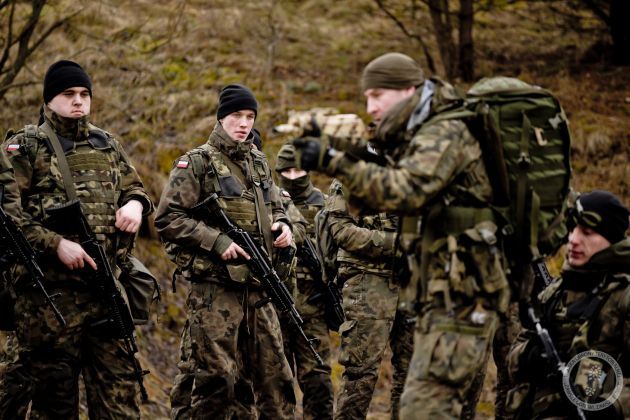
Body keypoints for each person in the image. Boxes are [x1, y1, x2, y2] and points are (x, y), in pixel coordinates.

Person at [293, 52, 511, 419]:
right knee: (380, 382)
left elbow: (406, 191)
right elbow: (342, 223)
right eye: (366, 98)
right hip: (397, 283)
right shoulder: (405, 145)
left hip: (448, 288)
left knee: (422, 392)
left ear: (408, 90)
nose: (370, 106)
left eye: (377, 95)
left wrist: (333, 158)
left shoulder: (442, 133)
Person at [0, 59, 154, 418]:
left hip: (105, 295)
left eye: (85, 94)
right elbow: (8, 218)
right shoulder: (24, 148)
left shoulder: (107, 145)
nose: (78, 101)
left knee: (120, 406)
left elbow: (136, 188)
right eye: (68, 94)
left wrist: (134, 204)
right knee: (55, 407)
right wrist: (56, 244)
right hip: (50, 303)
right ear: (49, 99)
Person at [155, 83, 296, 419]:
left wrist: (282, 227)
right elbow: (168, 218)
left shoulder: (260, 163)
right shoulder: (197, 163)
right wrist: (217, 243)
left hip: (259, 291)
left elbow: (276, 206)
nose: (244, 123)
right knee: (215, 383)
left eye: (250, 116)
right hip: (216, 291)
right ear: (221, 118)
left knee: (275, 380)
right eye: (237, 115)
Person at [506, 190, 630, 419]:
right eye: (572, 229)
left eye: (587, 232)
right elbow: (513, 357)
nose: (573, 239)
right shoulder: (556, 291)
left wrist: (610, 408)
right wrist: (529, 356)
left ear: (611, 239)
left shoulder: (623, 296)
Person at [325, 177, 414, 420]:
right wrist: (395, 243)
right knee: (361, 372)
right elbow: (341, 231)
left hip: (412, 281)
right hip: (368, 281)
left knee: (413, 374)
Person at [275, 143, 334, 420]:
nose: (293, 175)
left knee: (318, 381)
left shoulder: (323, 204)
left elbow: (335, 253)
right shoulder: (269, 202)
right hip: (276, 308)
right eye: (286, 170)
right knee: (275, 383)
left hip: (313, 308)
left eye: (298, 169)